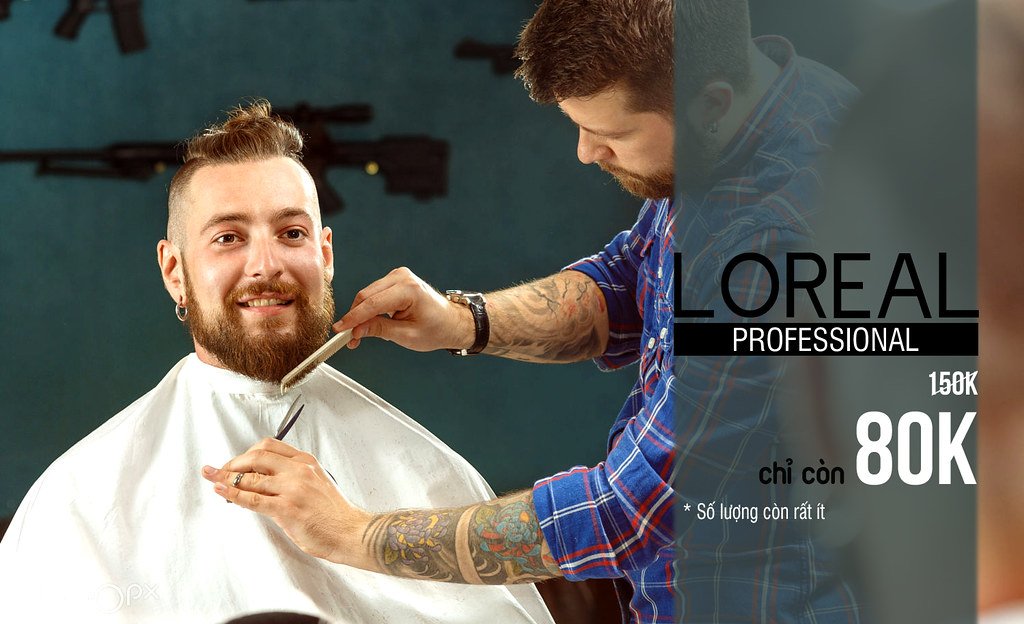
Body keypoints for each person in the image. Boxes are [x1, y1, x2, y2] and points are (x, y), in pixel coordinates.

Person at [203, 1, 861, 622]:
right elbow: (629, 280)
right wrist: (463, 320)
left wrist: (351, 533)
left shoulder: (777, 239)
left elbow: (626, 509)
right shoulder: (752, 117)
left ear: (710, 103)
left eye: (612, 133)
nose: (585, 152)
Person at [0, 102, 553, 624]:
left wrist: (352, 532)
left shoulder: (432, 473)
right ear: (174, 271)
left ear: (325, 254)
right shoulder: (83, 498)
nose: (266, 265)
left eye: (292, 233)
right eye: (228, 237)